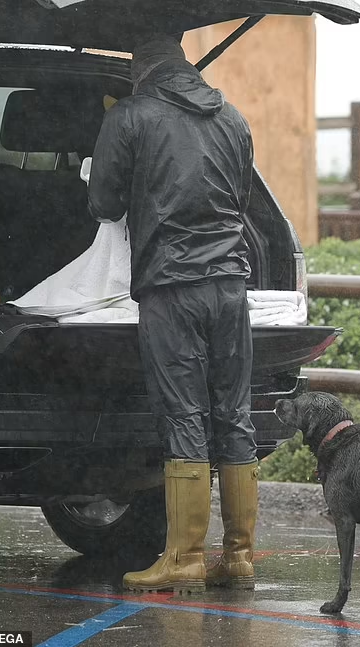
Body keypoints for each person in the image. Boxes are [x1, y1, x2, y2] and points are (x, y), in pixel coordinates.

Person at [86, 34, 259, 594]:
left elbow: (104, 204)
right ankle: (239, 557)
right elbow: (243, 200)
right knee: (233, 411)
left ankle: (184, 558)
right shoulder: (232, 117)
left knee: (184, 412)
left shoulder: (132, 117)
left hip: (171, 285)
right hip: (232, 284)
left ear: (141, 66)